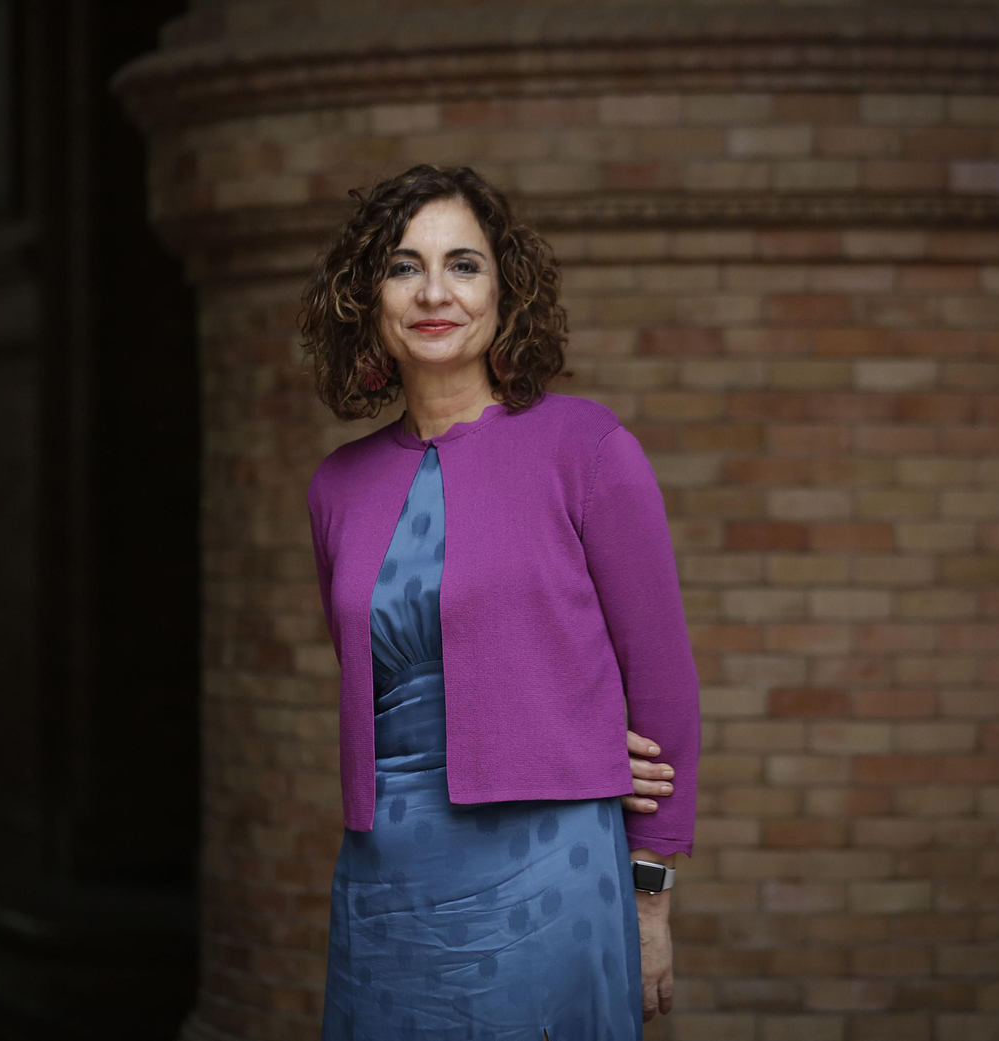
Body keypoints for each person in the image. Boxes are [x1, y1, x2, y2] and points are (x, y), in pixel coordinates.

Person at [301, 164, 702, 1040]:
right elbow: (382, 682)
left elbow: (664, 685)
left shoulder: (586, 447)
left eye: (464, 264)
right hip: (383, 877)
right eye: (404, 266)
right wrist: (564, 720)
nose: (435, 291)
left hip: (546, 872)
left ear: (504, 290)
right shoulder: (338, 486)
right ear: (366, 298)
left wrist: (650, 892)